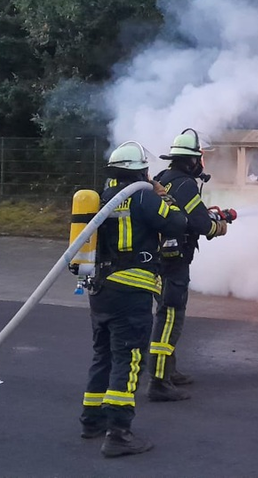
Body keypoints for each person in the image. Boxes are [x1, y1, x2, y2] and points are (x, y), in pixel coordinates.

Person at [79, 141, 188, 458]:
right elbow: (177, 221)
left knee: (103, 356)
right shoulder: (143, 196)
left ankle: (91, 421)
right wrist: (163, 193)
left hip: (100, 290)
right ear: (140, 170)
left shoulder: (101, 198)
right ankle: (118, 433)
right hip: (132, 291)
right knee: (128, 361)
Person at [147, 128, 235, 402]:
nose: (202, 163)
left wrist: (211, 215)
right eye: (200, 158)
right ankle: (159, 382)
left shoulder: (165, 178)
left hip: (161, 260)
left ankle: (169, 371)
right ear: (191, 161)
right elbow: (198, 223)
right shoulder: (185, 183)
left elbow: (190, 212)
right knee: (170, 317)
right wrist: (218, 225)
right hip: (173, 264)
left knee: (167, 313)